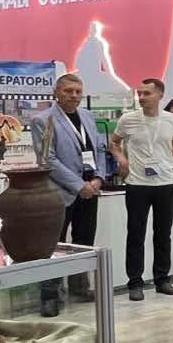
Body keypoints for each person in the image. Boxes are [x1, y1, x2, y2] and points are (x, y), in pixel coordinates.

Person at [29, 73, 108, 316]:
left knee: (84, 242)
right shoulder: (43, 120)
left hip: (90, 190)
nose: (74, 95)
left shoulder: (88, 116)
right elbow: (48, 160)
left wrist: (98, 178)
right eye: (68, 91)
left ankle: (79, 288)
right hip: (60, 193)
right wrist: (78, 185)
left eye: (77, 91)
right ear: (56, 93)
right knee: (53, 245)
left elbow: (99, 150)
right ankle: (50, 296)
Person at [111, 78, 173, 302]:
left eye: (147, 93)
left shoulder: (171, 120)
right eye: (139, 93)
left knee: (163, 233)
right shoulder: (128, 119)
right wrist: (122, 159)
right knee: (136, 233)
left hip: (165, 184)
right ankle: (135, 282)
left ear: (160, 95)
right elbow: (114, 142)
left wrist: (164, 164)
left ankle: (162, 279)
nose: (141, 97)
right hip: (137, 184)